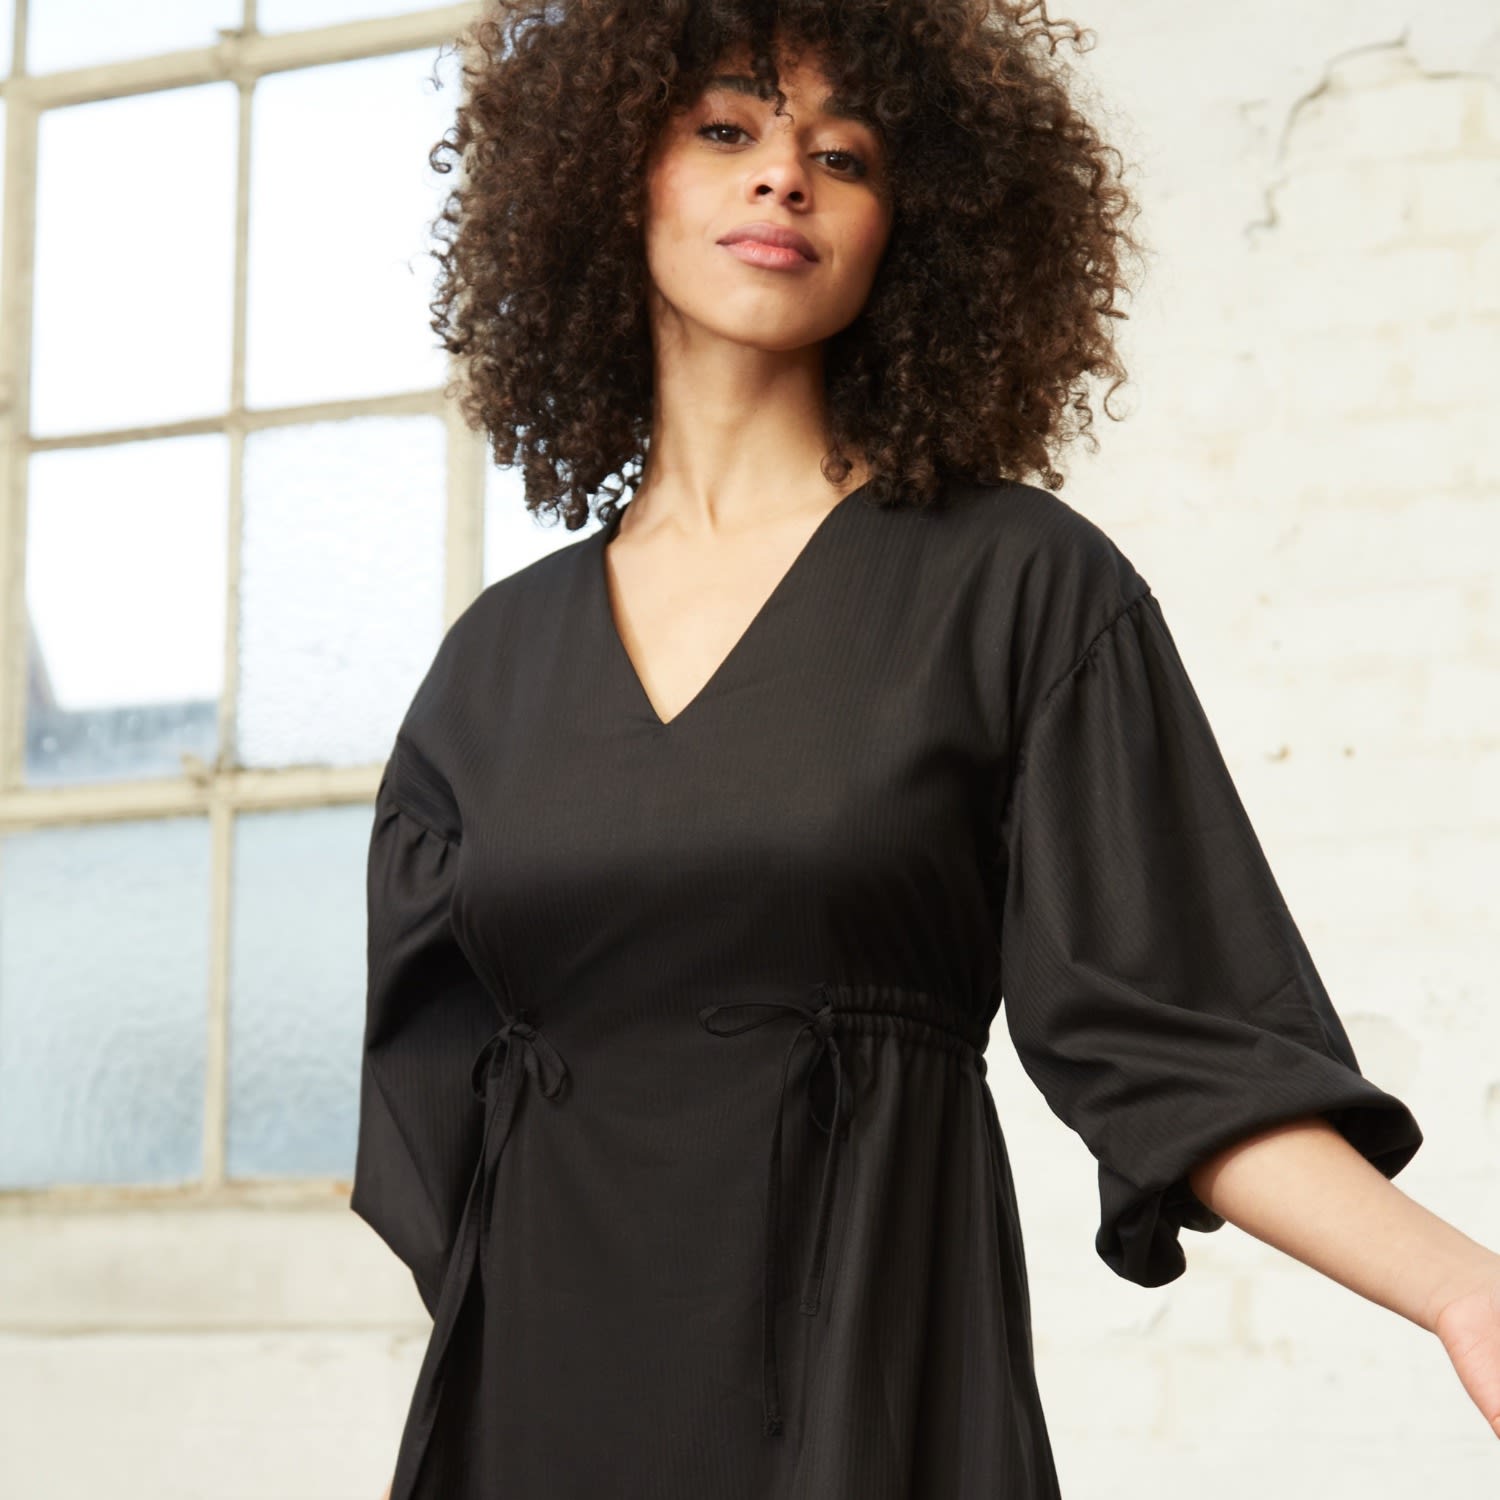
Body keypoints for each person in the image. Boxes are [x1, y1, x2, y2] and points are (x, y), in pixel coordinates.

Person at [353, 3, 1500, 1497]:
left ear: (916, 229)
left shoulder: (1018, 586)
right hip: (543, 1418)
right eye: (726, 130)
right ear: (606, 178)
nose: (785, 176)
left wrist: (1462, 1291)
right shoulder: (490, 668)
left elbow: (1175, 1041)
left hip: (866, 1397)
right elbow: (432, 1123)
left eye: (845, 156)